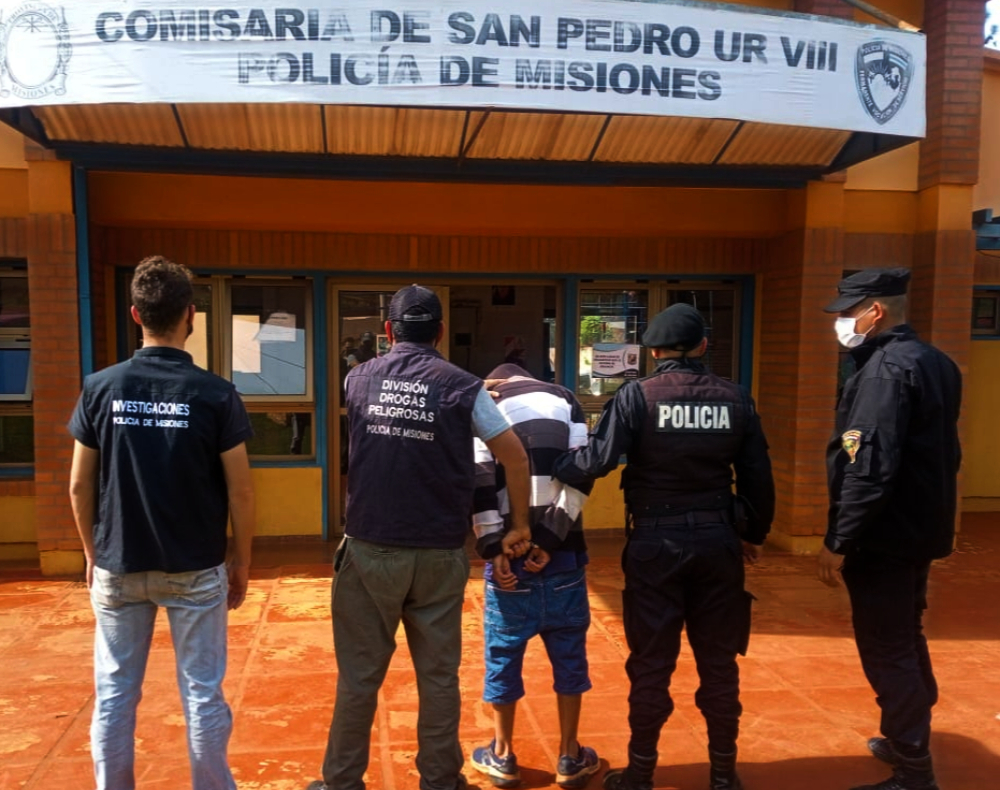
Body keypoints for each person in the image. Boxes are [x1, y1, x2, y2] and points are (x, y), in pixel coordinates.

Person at [308, 285, 533, 790]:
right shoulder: (464, 387)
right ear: (440, 332)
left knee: (359, 678)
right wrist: (518, 524)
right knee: (438, 677)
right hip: (438, 553)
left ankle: (341, 781)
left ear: (388, 331)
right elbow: (515, 456)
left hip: (370, 549)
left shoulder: (357, 378)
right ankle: (440, 779)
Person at [553, 303, 774, 790]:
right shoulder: (736, 399)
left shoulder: (637, 396)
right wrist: (753, 535)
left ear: (653, 352)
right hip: (718, 544)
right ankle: (724, 776)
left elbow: (598, 459)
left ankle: (641, 773)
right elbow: (758, 475)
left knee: (651, 665)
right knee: (719, 666)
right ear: (703, 346)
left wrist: (554, 466)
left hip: (656, 544)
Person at [68, 255, 255, 790]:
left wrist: (92, 554)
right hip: (195, 568)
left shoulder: (100, 388)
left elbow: (79, 485)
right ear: (190, 314)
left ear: (135, 314)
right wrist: (241, 561)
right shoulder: (215, 393)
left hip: (118, 562)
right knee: (202, 693)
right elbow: (241, 489)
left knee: (114, 693)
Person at [819, 268, 961, 790]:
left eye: (847, 312)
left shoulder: (884, 372)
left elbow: (868, 466)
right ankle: (906, 737)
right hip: (920, 530)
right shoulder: (936, 362)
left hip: (884, 536)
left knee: (887, 647)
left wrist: (840, 540)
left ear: (874, 311)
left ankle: (914, 771)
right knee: (906, 634)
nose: (840, 321)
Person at [470, 363, 600, 790]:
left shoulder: (484, 401)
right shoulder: (567, 401)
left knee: (502, 660)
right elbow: (583, 471)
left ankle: (502, 755)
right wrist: (550, 538)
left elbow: (480, 477)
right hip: (563, 561)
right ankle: (569, 755)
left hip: (509, 566)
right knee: (570, 660)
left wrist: (494, 546)